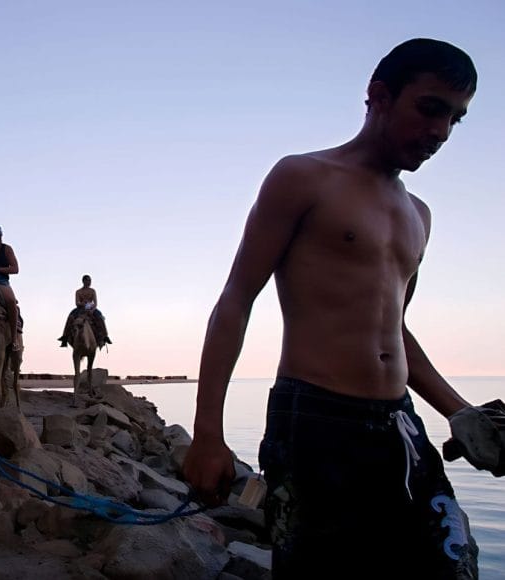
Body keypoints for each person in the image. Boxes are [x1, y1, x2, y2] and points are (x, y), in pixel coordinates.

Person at [181, 39, 499, 579]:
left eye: (456, 118)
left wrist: (459, 412)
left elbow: (394, 329)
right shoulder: (303, 177)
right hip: (314, 420)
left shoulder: (419, 213)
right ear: (378, 96)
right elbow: (236, 300)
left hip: (399, 423)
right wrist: (208, 432)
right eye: (430, 108)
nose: (442, 132)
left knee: (448, 565)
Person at [58, 275, 112, 348]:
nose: (89, 282)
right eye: (87, 280)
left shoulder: (92, 291)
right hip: (80, 308)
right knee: (70, 317)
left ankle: (105, 336)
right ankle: (65, 337)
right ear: (83, 281)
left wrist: (92, 310)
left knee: (100, 317)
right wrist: (83, 303)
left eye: (90, 281)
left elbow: (95, 303)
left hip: (91, 308)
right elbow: (77, 303)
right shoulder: (78, 291)